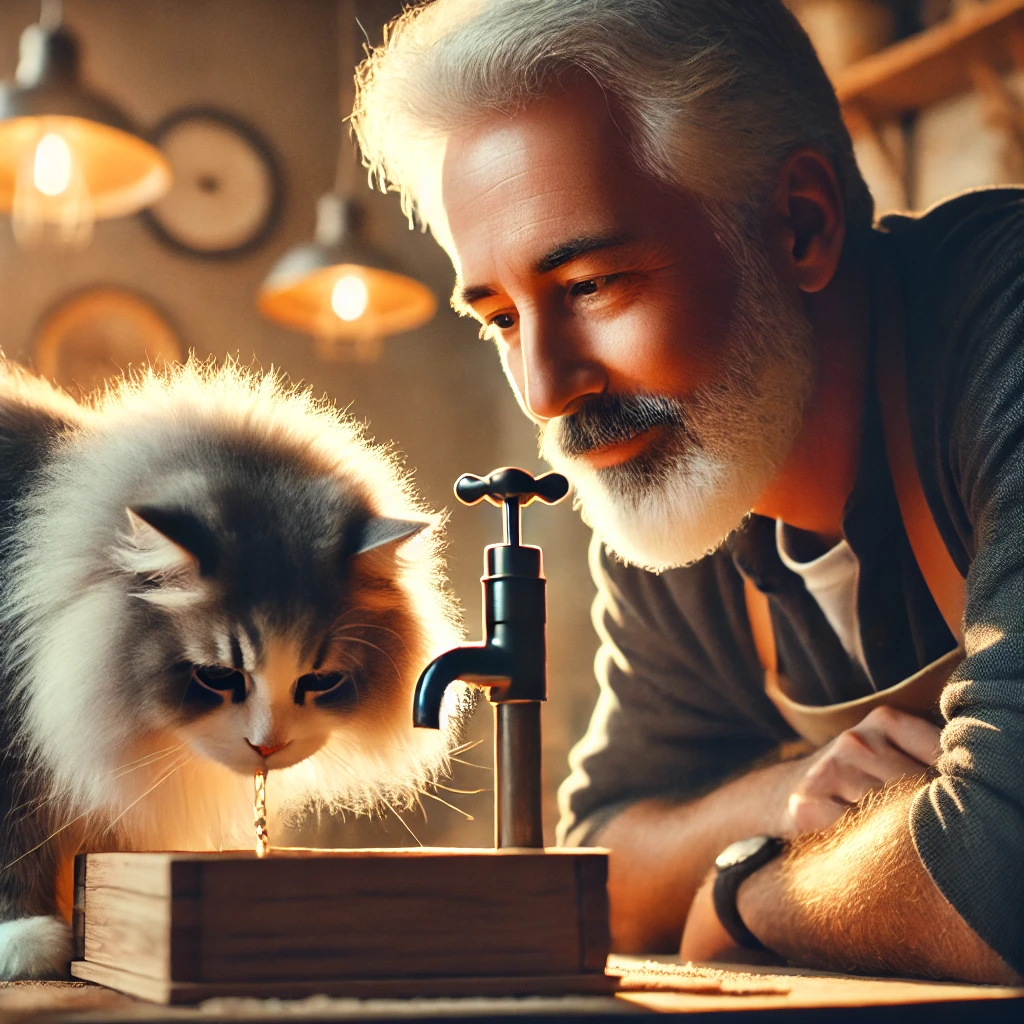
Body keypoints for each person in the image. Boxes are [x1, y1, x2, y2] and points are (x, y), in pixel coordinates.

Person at [353, 0, 1024, 983]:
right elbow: (601, 863)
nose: (545, 389)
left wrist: (741, 895)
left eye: (589, 285)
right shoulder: (685, 481)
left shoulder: (998, 327)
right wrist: (783, 799)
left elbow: (999, 880)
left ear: (798, 226)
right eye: (499, 318)